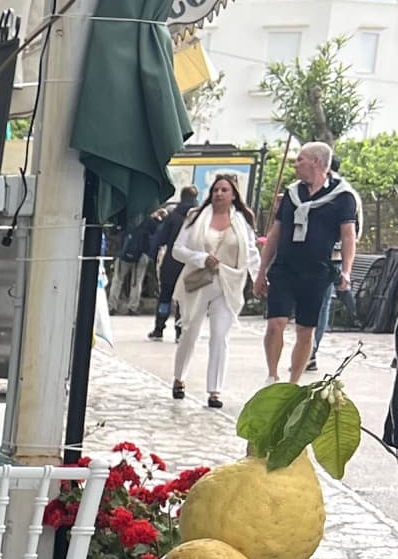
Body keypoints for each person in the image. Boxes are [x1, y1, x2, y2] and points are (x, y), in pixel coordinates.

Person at [258, 141, 359, 382]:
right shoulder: (292, 194)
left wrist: (346, 271)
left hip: (317, 271)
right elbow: (275, 233)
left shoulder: (342, 196)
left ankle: (293, 383)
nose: (295, 164)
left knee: (306, 329)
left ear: (316, 162)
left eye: (300, 159)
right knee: (276, 323)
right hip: (284, 268)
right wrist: (262, 271)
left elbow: (348, 236)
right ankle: (272, 377)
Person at [168, 174, 261, 409]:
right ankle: (179, 377)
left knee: (220, 336)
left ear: (233, 195)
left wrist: (260, 277)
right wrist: (200, 258)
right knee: (190, 332)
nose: (219, 194)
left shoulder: (242, 221)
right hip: (199, 281)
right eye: (216, 189)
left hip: (228, 282)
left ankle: (215, 390)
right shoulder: (196, 217)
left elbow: (250, 253)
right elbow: (177, 250)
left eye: (224, 190)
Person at [146, 187, 199, 339]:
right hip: (189, 263)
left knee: (165, 296)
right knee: (184, 299)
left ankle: (159, 328)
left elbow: (160, 238)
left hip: (171, 261)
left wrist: (153, 253)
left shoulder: (173, 216)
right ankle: (179, 331)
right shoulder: (198, 217)